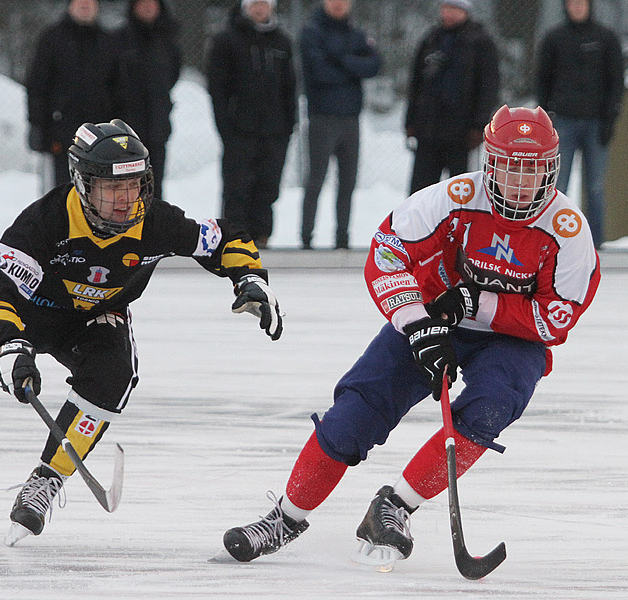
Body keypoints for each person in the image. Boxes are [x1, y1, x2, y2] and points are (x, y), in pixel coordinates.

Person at [221, 105, 600, 565]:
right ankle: (285, 517)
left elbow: (554, 320)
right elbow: (386, 251)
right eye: (508, 168)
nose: (519, 184)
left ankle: (394, 506)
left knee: (494, 403)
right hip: (432, 313)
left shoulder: (569, 232)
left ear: (551, 171)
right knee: (356, 411)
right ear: (489, 163)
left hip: (511, 338)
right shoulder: (455, 196)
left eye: (532, 171)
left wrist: (477, 303)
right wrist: (417, 323)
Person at [0, 120, 284, 546]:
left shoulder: (155, 222)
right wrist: (8, 345)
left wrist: (250, 278)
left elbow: (224, 238)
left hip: (92, 320)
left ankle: (48, 478)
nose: (126, 200)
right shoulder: (43, 223)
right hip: (22, 317)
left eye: (135, 186)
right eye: (112, 188)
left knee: (115, 373)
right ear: (82, 184)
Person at [207, 0, 297, 249]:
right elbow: (218, 87)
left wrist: (289, 124)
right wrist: (226, 125)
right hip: (240, 130)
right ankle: (233, 239)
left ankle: (261, 236)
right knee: (237, 186)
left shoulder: (281, 41)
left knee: (267, 186)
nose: (260, 9)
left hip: (275, 130)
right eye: (255, 4)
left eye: (264, 4)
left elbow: (289, 87)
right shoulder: (227, 40)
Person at [535, 0, 624, 248]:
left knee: (595, 185)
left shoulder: (606, 39)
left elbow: (616, 80)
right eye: (572, 3)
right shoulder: (554, 39)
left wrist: (610, 118)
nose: (577, 7)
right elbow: (542, 79)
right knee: (557, 183)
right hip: (563, 120)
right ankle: (551, 236)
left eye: (581, 3)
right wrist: (546, 115)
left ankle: (594, 241)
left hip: (596, 122)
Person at [299, 0, 381, 249]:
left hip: (350, 119)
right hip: (322, 117)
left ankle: (342, 238)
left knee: (348, 182)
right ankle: (306, 237)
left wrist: (341, 60)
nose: (338, 4)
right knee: (316, 180)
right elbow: (319, 72)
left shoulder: (356, 33)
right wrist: (352, 67)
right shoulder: (312, 32)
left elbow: (374, 65)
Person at [405, 0, 499, 194]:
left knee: (461, 192)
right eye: (445, 8)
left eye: (454, 8)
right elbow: (416, 82)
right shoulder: (431, 39)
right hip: (428, 129)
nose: (448, 13)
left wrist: (479, 124)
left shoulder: (481, 42)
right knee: (420, 190)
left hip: (461, 132)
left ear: (465, 11)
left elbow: (488, 87)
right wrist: (411, 120)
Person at [25, 0, 120, 188]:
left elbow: (119, 90)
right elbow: (37, 86)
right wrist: (37, 125)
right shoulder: (51, 39)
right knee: (58, 195)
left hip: (99, 136)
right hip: (59, 134)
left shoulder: (108, 42)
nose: (85, 4)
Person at [115, 0, 183, 200]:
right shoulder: (119, 40)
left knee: (154, 187)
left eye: (152, 3)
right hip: (124, 129)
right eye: (143, 3)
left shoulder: (168, 41)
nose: (148, 7)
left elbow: (172, 76)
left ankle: (153, 229)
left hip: (157, 127)